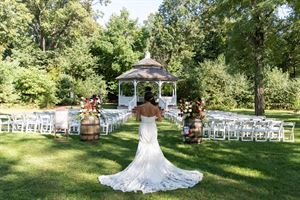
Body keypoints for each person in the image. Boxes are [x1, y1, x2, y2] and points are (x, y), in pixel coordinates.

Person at [98, 91, 203, 193]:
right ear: (152, 98)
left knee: (143, 146)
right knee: (153, 146)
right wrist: (154, 117)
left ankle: (142, 166)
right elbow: (160, 120)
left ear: (144, 98)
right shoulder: (155, 108)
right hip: (152, 128)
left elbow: (137, 119)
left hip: (144, 128)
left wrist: (144, 118)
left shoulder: (140, 107)